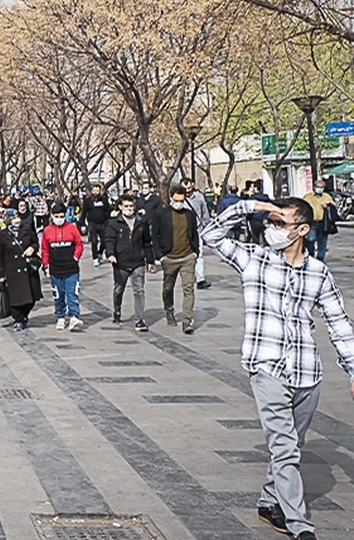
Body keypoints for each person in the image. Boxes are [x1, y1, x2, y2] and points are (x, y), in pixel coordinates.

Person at [201, 195, 354, 540]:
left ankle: (270, 501)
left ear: (301, 230)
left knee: (290, 447)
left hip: (307, 374)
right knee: (284, 447)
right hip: (267, 367)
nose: (272, 228)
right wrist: (248, 207)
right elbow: (211, 235)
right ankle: (300, 526)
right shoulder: (253, 259)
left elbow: (338, 323)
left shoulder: (318, 273)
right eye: (271, 222)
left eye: (280, 223)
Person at [151, 185, 201, 334]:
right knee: (168, 288)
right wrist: (160, 256)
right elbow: (155, 235)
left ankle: (187, 320)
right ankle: (169, 310)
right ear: (171, 197)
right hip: (169, 258)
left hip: (187, 257)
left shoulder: (189, 214)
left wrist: (195, 252)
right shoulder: (161, 213)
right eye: (177, 199)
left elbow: (194, 233)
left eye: (182, 200)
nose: (179, 203)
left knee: (188, 288)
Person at [104, 194, 156, 331]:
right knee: (118, 290)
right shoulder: (114, 223)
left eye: (131, 206)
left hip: (138, 261)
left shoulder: (141, 222)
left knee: (139, 290)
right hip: (120, 262)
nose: (129, 209)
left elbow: (147, 242)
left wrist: (150, 260)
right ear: (120, 207)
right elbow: (109, 240)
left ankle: (139, 319)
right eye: (126, 206)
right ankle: (117, 311)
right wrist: (110, 254)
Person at [40, 202, 85, 331]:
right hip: (55, 269)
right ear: (52, 215)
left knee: (72, 293)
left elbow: (79, 244)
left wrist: (75, 257)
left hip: (71, 268)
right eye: (56, 216)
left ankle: (74, 317)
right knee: (58, 294)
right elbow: (45, 250)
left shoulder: (72, 228)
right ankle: (60, 316)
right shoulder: (47, 231)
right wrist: (46, 266)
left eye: (61, 216)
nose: (59, 218)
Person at [0, 208, 42, 330]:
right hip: (12, 269)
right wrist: (0, 273)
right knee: (16, 298)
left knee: (31, 297)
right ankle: (18, 319)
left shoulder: (27, 229)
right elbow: (0, 255)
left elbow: (35, 243)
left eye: (17, 216)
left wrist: (32, 248)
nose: (16, 219)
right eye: (13, 217)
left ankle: (25, 315)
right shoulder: (3, 234)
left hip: (28, 268)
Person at [182, 178, 212, 289]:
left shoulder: (199, 197)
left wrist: (207, 225)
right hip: (182, 231)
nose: (187, 191)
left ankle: (200, 279)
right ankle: (187, 276)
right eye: (185, 189)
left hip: (197, 230)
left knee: (199, 254)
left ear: (193, 185)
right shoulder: (180, 198)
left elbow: (204, 212)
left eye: (189, 188)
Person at [302, 179, 335, 261]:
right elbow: (302, 207)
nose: (320, 189)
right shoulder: (308, 197)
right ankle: (310, 256)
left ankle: (320, 259)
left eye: (322, 187)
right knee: (310, 239)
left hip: (323, 223)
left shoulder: (327, 197)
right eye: (318, 187)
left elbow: (333, 208)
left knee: (322, 242)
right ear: (314, 187)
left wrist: (327, 207)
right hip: (311, 222)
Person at [81, 184, 110, 267]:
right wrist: (82, 224)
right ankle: (95, 258)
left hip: (102, 224)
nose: (96, 192)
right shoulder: (88, 201)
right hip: (92, 224)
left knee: (104, 241)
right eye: (94, 190)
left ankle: (100, 253)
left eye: (97, 191)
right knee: (94, 241)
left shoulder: (104, 200)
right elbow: (83, 213)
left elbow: (108, 211)